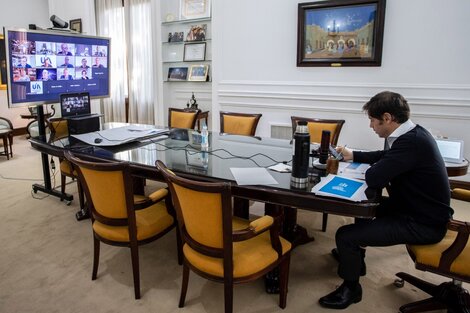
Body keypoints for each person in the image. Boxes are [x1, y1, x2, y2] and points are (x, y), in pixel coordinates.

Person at [318, 91, 453, 310]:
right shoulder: (410, 135)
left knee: (345, 235)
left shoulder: (411, 143)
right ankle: (354, 260)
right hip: (413, 207)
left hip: (423, 223)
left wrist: (371, 167)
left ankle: (351, 289)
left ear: (387, 118)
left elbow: (375, 177)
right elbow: (385, 158)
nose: (371, 126)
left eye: (372, 120)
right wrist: (355, 155)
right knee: (362, 208)